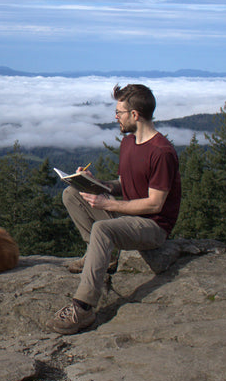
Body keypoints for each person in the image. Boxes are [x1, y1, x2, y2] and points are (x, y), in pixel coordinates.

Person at [47, 83, 182, 335]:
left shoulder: (162, 152)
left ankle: (84, 307)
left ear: (135, 115)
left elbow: (155, 203)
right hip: (128, 215)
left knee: (102, 230)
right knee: (72, 194)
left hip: (152, 226)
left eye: (119, 112)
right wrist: (96, 184)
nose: (116, 117)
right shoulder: (129, 143)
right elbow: (126, 184)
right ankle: (101, 256)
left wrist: (108, 204)